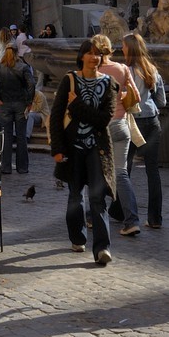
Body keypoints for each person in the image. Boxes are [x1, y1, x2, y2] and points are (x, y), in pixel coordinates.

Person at [50, 38, 117, 266]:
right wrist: (57, 149)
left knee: (98, 198)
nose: (93, 57)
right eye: (89, 53)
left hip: (97, 150)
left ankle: (102, 249)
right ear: (81, 56)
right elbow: (57, 116)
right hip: (73, 148)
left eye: (97, 54)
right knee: (75, 196)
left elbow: (104, 120)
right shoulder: (69, 80)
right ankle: (77, 237)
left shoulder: (108, 83)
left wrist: (78, 105)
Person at [93, 34, 142, 237]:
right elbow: (136, 97)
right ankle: (132, 221)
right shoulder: (122, 69)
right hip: (121, 126)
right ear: (110, 49)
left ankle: (90, 216)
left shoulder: (92, 71)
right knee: (121, 174)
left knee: (94, 173)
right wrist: (119, 95)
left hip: (100, 127)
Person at [123, 33, 168, 229]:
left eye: (124, 46)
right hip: (152, 121)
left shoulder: (126, 71)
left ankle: (123, 212)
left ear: (130, 49)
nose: (122, 49)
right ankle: (155, 218)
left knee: (124, 170)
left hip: (133, 123)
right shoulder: (152, 70)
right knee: (153, 171)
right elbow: (162, 101)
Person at [0, 45, 35, 175]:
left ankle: (6, 167)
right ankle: (22, 167)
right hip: (20, 103)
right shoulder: (23, 67)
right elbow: (31, 84)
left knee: (7, 136)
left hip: (4, 104)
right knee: (21, 136)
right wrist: (29, 101)